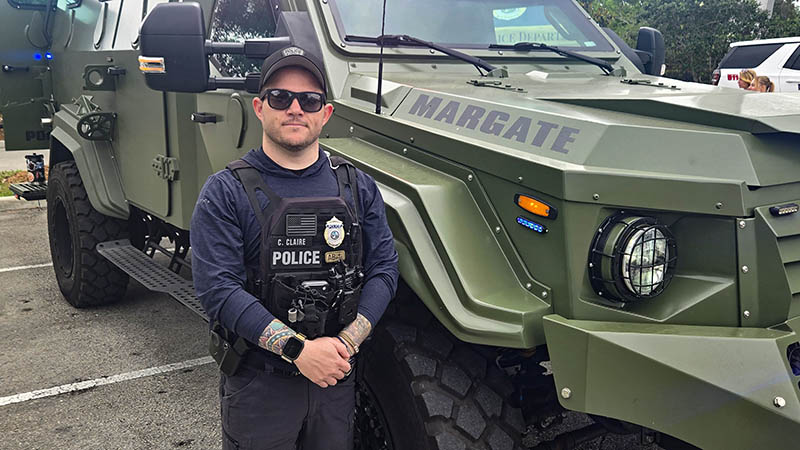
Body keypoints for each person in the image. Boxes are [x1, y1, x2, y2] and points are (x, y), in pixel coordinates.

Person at [190, 45, 399, 450]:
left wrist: (344, 344)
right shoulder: (225, 192)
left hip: (334, 376)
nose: (295, 108)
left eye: (310, 99)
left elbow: (385, 270)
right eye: (281, 97)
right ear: (259, 107)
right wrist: (297, 350)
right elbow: (219, 291)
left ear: (326, 112)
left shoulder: (357, 187)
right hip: (260, 385)